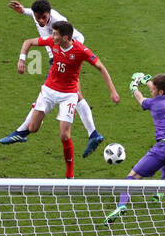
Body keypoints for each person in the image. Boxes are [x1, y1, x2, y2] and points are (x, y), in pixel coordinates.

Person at [0, 0, 117, 156]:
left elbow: (75, 39)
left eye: (43, 17)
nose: (40, 21)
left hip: (64, 56)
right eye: (37, 17)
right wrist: (23, 11)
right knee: (77, 95)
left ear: (49, 14)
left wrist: (70, 54)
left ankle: (21, 132)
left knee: (49, 93)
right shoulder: (40, 17)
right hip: (57, 53)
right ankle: (93, 134)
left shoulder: (58, 22)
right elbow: (31, 36)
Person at [10, 21, 113, 179]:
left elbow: (101, 67)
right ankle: (32, 121)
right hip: (49, 91)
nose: (52, 36)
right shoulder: (52, 42)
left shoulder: (81, 50)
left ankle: (69, 174)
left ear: (65, 37)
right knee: (32, 128)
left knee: (65, 135)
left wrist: (112, 91)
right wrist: (22, 59)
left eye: (56, 34)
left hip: (69, 95)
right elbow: (28, 42)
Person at [105, 73, 165, 222]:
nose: (151, 91)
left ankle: (121, 205)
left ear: (160, 92)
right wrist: (146, 81)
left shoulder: (154, 104)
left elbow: (140, 98)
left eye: (153, 90)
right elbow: (157, 89)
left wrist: (134, 86)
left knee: (131, 177)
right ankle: (160, 191)